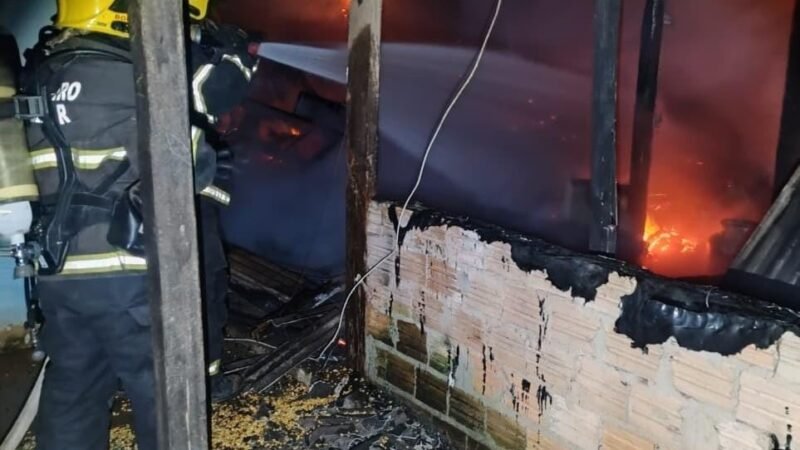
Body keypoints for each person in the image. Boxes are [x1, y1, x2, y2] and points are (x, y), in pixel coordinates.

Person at [9, 0, 253, 447]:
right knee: (164, 397)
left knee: (73, 392)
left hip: (61, 275)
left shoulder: (42, 74)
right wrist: (223, 78)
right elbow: (187, 164)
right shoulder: (134, 75)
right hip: (130, 280)